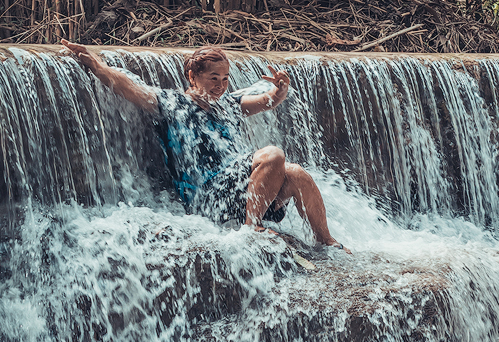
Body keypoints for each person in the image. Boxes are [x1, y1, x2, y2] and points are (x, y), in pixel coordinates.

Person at [60, 40, 349, 249]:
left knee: (297, 174)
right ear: (192, 76)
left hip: (242, 193)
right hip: (208, 198)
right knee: (273, 155)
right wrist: (97, 65)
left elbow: (267, 102)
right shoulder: (172, 103)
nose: (221, 85)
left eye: (225, 79)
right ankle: (252, 230)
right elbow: (127, 86)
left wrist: (280, 89)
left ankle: (325, 239)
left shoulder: (228, 104)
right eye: (213, 78)